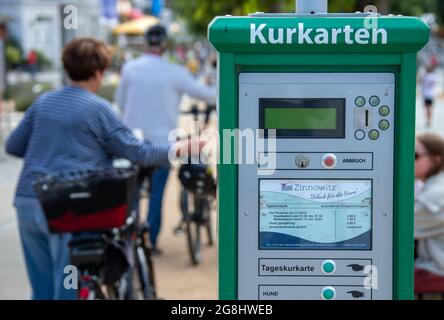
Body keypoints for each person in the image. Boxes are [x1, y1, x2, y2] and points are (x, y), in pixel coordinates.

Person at [5, 38, 197, 300]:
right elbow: (139, 152)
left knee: (42, 291)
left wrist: (50, 148)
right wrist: (183, 147)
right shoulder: (98, 108)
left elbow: (13, 146)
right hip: (67, 208)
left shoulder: (42, 102)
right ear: (98, 72)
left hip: (28, 202)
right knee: (67, 290)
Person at [114, 25, 216, 254]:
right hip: (163, 145)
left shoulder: (129, 69)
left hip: (133, 142)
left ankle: (130, 238)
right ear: (165, 45)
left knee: (131, 193)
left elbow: (120, 103)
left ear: (145, 43)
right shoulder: (175, 71)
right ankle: (150, 241)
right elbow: (208, 95)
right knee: (156, 194)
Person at [414, 133, 444, 281]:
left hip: (435, 270)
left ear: (436, 159)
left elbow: (402, 227)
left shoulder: (436, 194)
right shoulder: (433, 185)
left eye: (415, 155)